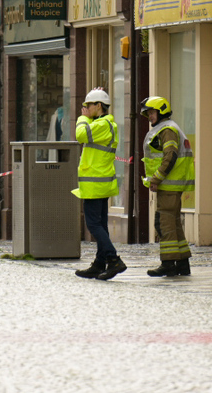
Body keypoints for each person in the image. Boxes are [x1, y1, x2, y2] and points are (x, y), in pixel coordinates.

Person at [72, 88, 125, 280]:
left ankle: (113, 259)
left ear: (99, 106)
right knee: (100, 225)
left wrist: (82, 118)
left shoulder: (103, 125)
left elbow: (80, 135)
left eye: (89, 105)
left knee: (93, 224)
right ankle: (100, 263)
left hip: (95, 184)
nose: (85, 109)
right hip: (98, 182)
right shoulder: (103, 124)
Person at [140, 96, 194, 277]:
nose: (150, 116)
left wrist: (156, 178)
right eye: (148, 113)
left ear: (161, 111)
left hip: (169, 186)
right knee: (174, 223)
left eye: (152, 112)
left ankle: (169, 263)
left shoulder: (167, 130)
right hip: (170, 186)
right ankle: (182, 264)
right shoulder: (168, 128)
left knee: (165, 224)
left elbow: (169, 156)